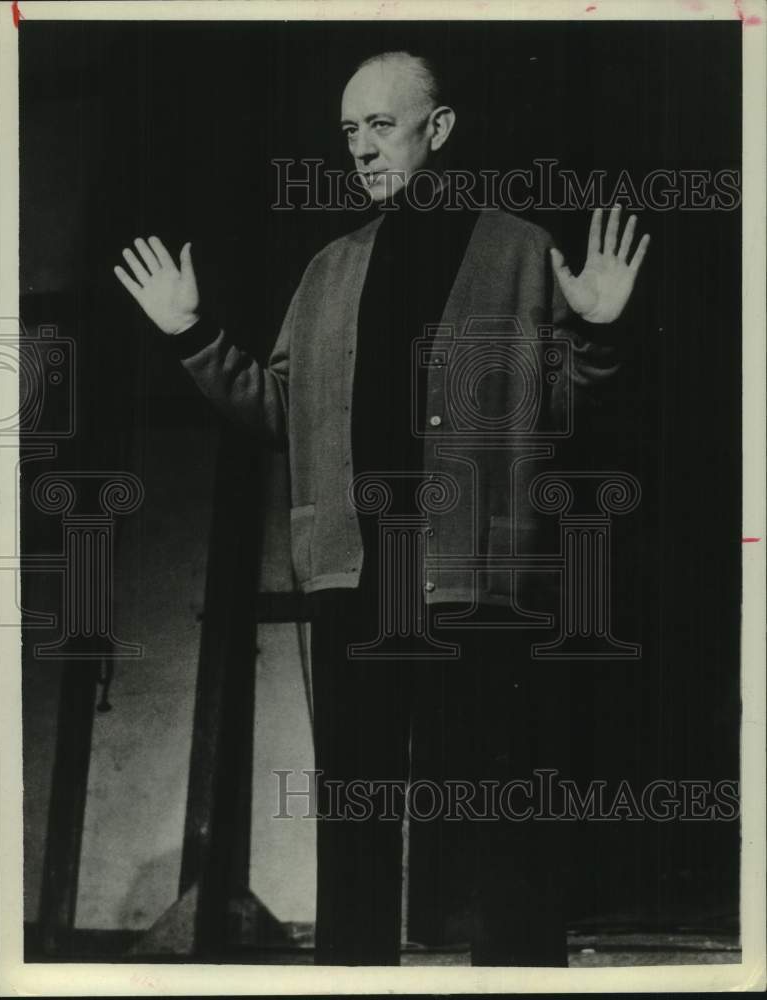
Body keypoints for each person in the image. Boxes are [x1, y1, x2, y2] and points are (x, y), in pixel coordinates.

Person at [114, 50, 649, 966]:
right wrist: (193, 337)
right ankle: (352, 977)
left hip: (475, 569)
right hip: (358, 571)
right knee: (354, 803)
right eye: (348, 131)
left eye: (381, 125)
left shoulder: (519, 250)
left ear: (437, 130)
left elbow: (557, 407)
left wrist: (595, 332)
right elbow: (283, 408)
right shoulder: (328, 269)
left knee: (498, 799)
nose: (361, 148)